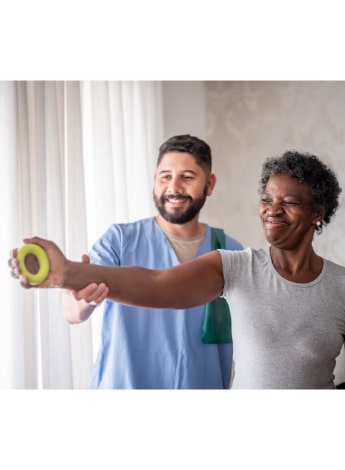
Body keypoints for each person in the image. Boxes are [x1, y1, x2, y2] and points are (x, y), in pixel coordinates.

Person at [10, 150, 345, 389]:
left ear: (318, 212)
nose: (272, 211)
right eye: (267, 199)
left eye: (288, 202)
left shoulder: (339, 285)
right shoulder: (236, 265)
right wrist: (66, 272)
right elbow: (155, 284)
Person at [62, 134, 243, 389]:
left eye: (187, 177)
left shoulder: (232, 253)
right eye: (165, 176)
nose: (174, 187)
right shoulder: (119, 241)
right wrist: (81, 301)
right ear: (154, 180)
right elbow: (71, 311)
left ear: (209, 184)